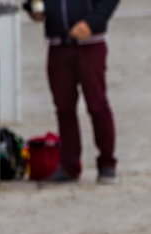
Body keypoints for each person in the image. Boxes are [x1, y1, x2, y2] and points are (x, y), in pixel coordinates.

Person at [29, 0, 120, 183]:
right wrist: (33, 9)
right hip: (57, 45)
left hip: (90, 42)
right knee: (64, 108)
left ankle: (106, 163)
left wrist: (92, 22)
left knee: (96, 104)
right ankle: (69, 165)